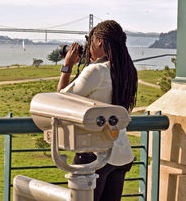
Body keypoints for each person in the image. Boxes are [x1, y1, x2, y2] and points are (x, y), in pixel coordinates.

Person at [57, 20, 137, 201]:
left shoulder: (96, 71)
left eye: (90, 41)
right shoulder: (128, 70)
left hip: (94, 155)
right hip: (121, 153)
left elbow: (60, 101)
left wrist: (68, 66)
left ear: (99, 41)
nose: (88, 47)